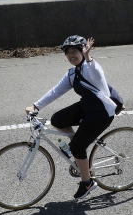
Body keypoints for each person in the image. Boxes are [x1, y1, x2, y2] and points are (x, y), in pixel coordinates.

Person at [25, 35, 116, 200]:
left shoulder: (92, 67)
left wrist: (88, 56)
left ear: (83, 50)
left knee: (77, 147)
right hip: (87, 107)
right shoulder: (72, 74)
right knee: (57, 120)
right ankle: (77, 148)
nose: (71, 55)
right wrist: (35, 106)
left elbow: (93, 70)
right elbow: (55, 91)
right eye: (68, 52)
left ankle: (87, 182)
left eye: (75, 51)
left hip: (101, 113)